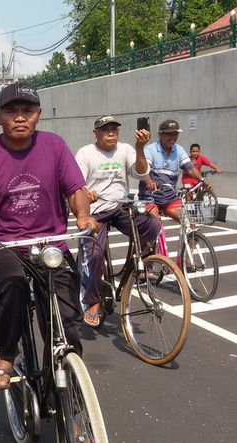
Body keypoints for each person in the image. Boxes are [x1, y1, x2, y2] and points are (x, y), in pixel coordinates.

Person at [0, 81, 98, 390]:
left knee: (67, 326)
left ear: (38, 115)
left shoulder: (54, 146)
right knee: (13, 284)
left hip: (50, 246)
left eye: (27, 111)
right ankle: (6, 354)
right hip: (3, 244)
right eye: (11, 111)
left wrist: (83, 214)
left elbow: (75, 189)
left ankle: (69, 406)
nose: (20, 117)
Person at [75, 115, 160, 327]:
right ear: (96, 133)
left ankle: (135, 265)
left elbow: (141, 173)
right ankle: (92, 300)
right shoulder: (86, 153)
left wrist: (140, 148)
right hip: (96, 210)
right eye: (105, 129)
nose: (110, 132)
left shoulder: (126, 150)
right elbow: (76, 183)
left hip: (120, 206)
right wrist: (86, 193)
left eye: (114, 129)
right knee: (94, 254)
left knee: (152, 225)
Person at [140, 119, 210, 224]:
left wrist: (202, 179)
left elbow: (190, 168)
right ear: (160, 134)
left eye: (175, 134)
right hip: (149, 197)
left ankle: (191, 240)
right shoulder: (150, 150)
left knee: (189, 222)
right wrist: (149, 182)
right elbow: (143, 169)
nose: (172, 137)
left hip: (170, 198)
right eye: (168, 134)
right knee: (154, 223)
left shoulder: (179, 150)